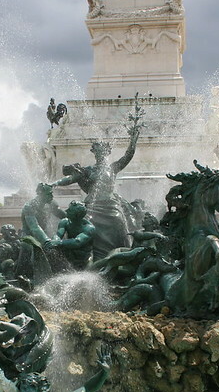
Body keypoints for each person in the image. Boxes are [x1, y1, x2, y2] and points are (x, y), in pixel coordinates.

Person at [51, 98, 145, 260]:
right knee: (85, 232)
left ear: (107, 153)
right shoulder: (88, 170)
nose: (101, 154)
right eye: (98, 152)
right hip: (92, 207)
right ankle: (88, 261)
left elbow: (128, 155)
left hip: (110, 206)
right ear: (95, 153)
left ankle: (127, 258)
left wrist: (134, 138)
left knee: (120, 226)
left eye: (103, 151)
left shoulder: (113, 167)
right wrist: (53, 184)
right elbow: (70, 179)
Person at [45, 200, 96, 271]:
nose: (66, 210)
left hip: (85, 259)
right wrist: (54, 240)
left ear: (77, 215)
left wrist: (58, 243)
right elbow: (58, 235)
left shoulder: (89, 228)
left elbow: (77, 242)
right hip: (70, 256)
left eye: (70, 210)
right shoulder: (65, 222)